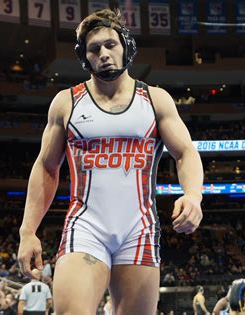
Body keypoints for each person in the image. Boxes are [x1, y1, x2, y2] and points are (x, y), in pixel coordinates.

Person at [17, 8, 203, 315]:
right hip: (87, 227)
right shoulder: (67, 103)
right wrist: (27, 231)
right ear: (84, 57)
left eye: (110, 45)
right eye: (94, 49)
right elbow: (46, 168)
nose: (103, 54)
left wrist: (194, 195)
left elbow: (186, 153)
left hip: (139, 230)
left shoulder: (155, 100)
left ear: (126, 46)